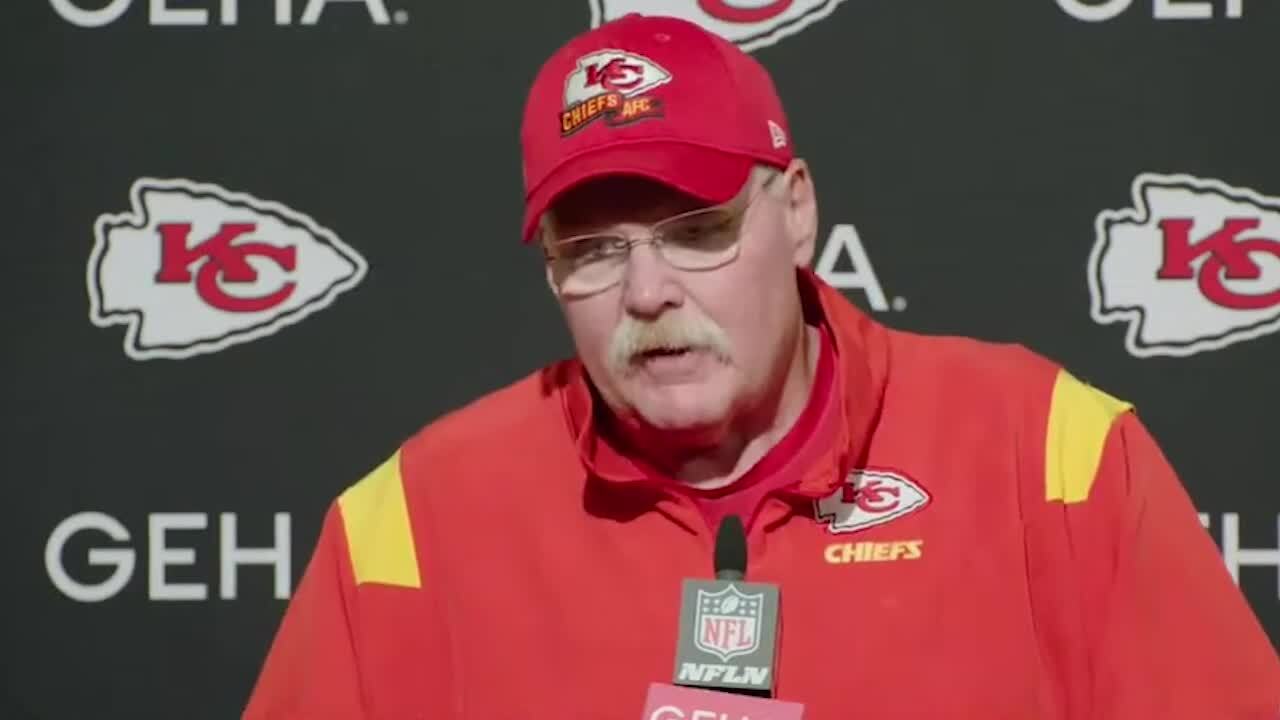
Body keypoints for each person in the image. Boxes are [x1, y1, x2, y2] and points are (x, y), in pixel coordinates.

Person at [243, 13, 1280, 719]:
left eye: (694, 231)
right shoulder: (411, 526)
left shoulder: (1045, 455)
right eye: (594, 250)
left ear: (795, 212)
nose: (645, 292)